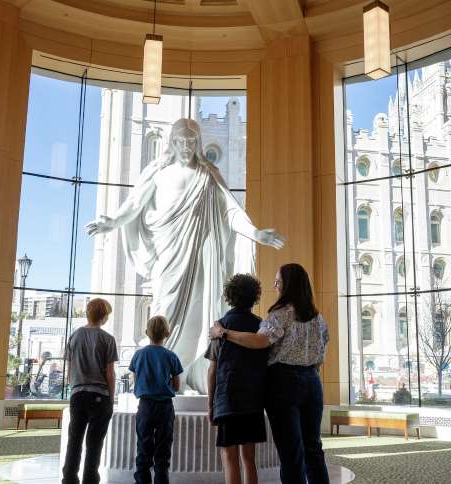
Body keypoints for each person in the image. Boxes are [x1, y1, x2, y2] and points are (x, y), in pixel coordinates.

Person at [85, 118, 284, 392]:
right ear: (173, 142)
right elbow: (134, 204)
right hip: (169, 255)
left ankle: (188, 375)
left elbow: (230, 210)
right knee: (164, 309)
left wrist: (255, 232)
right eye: (181, 141)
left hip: (202, 258)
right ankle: (163, 376)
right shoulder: (158, 172)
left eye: (192, 141)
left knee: (199, 315)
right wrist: (112, 222)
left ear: (198, 143)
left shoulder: (207, 174)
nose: (187, 146)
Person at [210, 263, 330, 484]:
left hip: (284, 383)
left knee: (291, 451)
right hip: (313, 383)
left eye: (278, 281)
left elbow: (260, 341)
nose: (275, 285)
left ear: (288, 285)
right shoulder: (317, 318)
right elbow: (322, 353)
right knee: (313, 448)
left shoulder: (280, 315)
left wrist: (224, 332)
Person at [206, 273, 267, 484]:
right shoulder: (261, 326)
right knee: (249, 458)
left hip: (227, 399)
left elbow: (212, 370)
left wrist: (210, 405)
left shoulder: (219, 327)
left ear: (229, 296)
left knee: (229, 457)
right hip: (253, 399)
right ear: (255, 296)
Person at [62, 298, 118, 484]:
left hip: (77, 394)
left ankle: (69, 479)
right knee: (94, 444)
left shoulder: (74, 336)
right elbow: (109, 373)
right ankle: (90, 480)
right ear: (104, 316)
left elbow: (69, 369)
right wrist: (111, 398)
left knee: (74, 440)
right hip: (99, 396)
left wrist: (74, 388)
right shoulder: (107, 339)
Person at [129, 316, 184, 484]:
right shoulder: (171, 356)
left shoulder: (139, 355)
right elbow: (176, 384)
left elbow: (134, 379)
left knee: (143, 450)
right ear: (167, 333)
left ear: (146, 333)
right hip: (165, 407)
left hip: (145, 406)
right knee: (162, 452)